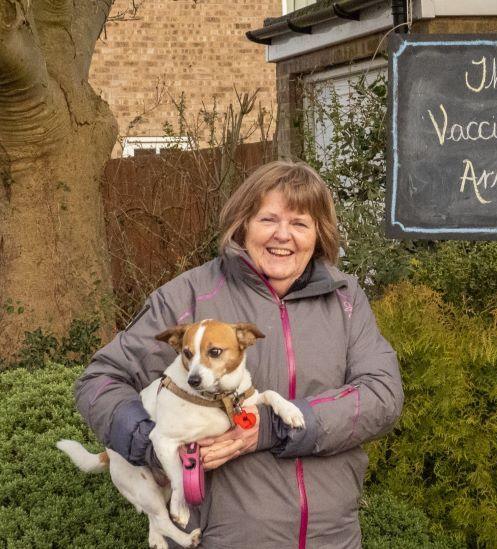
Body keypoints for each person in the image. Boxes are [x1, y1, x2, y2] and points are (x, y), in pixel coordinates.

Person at [74, 160, 403, 547]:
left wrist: (270, 428)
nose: (284, 235)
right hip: (226, 537)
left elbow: (382, 395)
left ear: (319, 233)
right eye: (269, 219)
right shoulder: (188, 296)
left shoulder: (345, 299)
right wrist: (153, 443)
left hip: (334, 537)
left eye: (300, 223)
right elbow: (99, 381)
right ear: (243, 222)